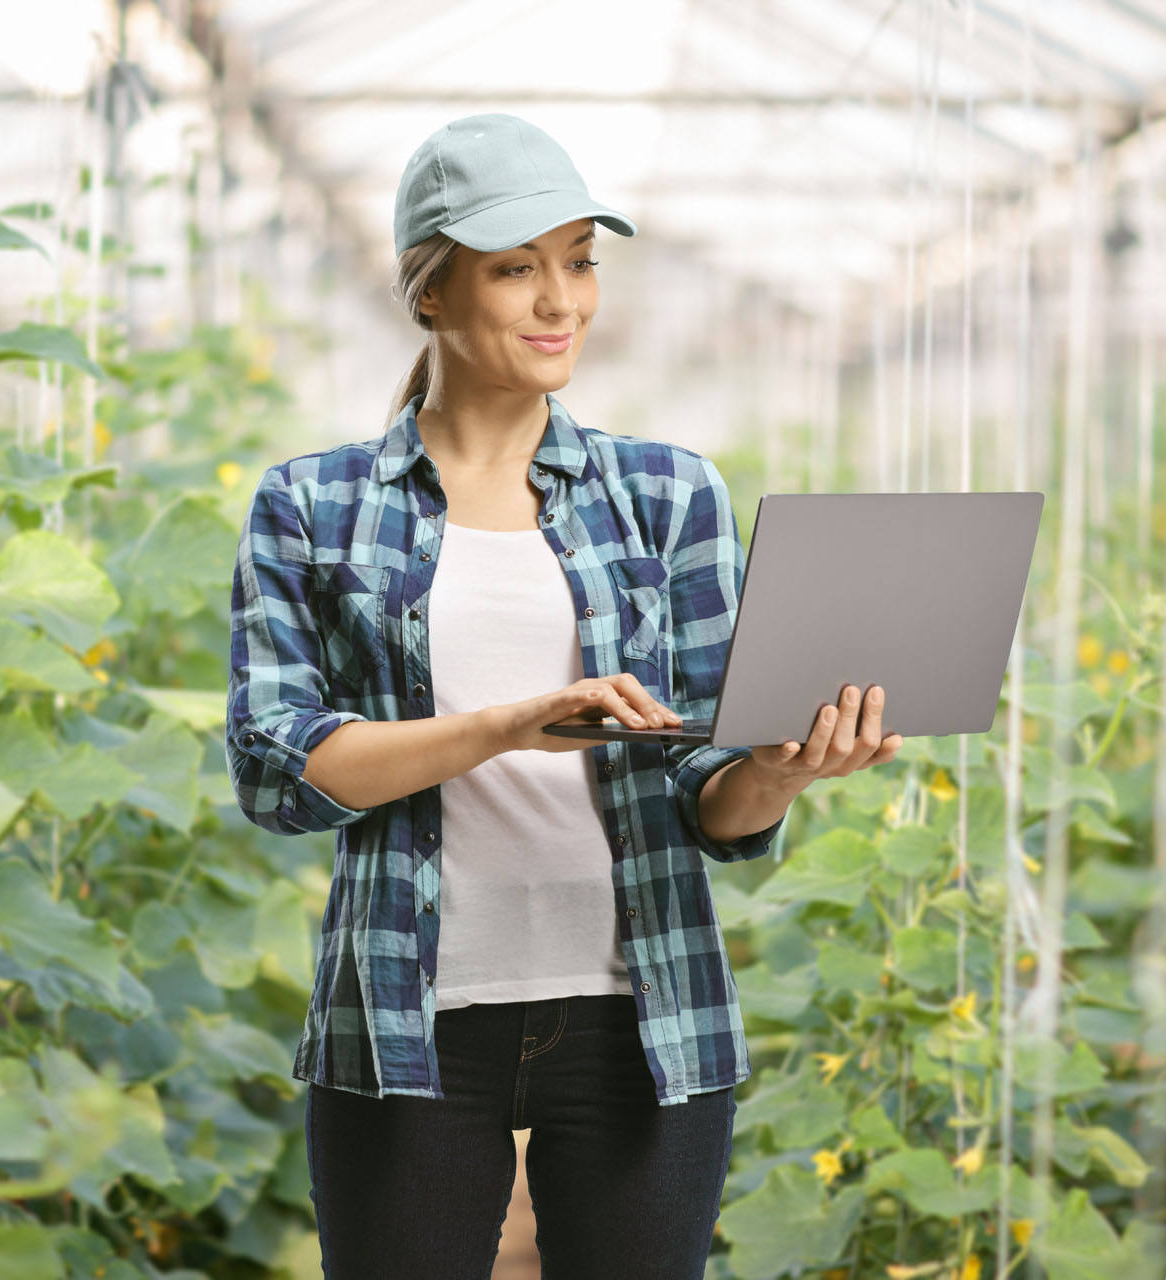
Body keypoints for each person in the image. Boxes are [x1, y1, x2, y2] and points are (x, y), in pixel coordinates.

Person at [224, 112, 902, 1280]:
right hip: (405, 1010)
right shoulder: (312, 505)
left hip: (642, 1010)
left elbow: (709, 798)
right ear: (430, 293)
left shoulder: (668, 492)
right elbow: (278, 768)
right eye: (515, 268)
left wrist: (779, 768)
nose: (561, 301)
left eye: (579, 259)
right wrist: (503, 726)